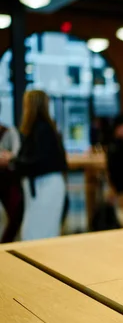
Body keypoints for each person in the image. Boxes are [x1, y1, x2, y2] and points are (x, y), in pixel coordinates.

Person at [3, 90, 68, 240]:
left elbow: (37, 161)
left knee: (37, 234)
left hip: (44, 187)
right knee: (38, 232)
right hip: (42, 187)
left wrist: (12, 161)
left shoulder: (41, 129)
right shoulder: (44, 129)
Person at [0, 100, 24, 243]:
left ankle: (5, 244)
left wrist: (8, 158)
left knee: (15, 212)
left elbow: (16, 154)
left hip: (7, 180)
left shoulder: (9, 132)